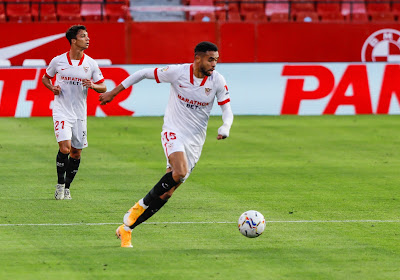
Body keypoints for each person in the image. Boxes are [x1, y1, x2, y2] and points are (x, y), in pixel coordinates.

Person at [99, 41, 234, 248]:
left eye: (216, 59)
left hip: (195, 142)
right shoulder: (177, 72)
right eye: (211, 59)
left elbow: (227, 110)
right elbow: (143, 73)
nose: (215, 64)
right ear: (198, 58)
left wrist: (225, 127)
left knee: (167, 192)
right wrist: (113, 93)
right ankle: (140, 205)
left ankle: (126, 230)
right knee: (179, 172)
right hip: (173, 131)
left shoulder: (217, 80)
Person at [42, 25, 107, 200]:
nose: (88, 39)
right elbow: (45, 78)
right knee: (65, 147)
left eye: (87, 36)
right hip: (62, 110)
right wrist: (52, 88)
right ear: (73, 40)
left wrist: (93, 86)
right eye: (83, 36)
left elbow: (104, 86)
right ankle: (60, 184)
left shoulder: (91, 63)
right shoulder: (58, 61)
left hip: (80, 114)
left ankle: (68, 187)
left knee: (76, 153)